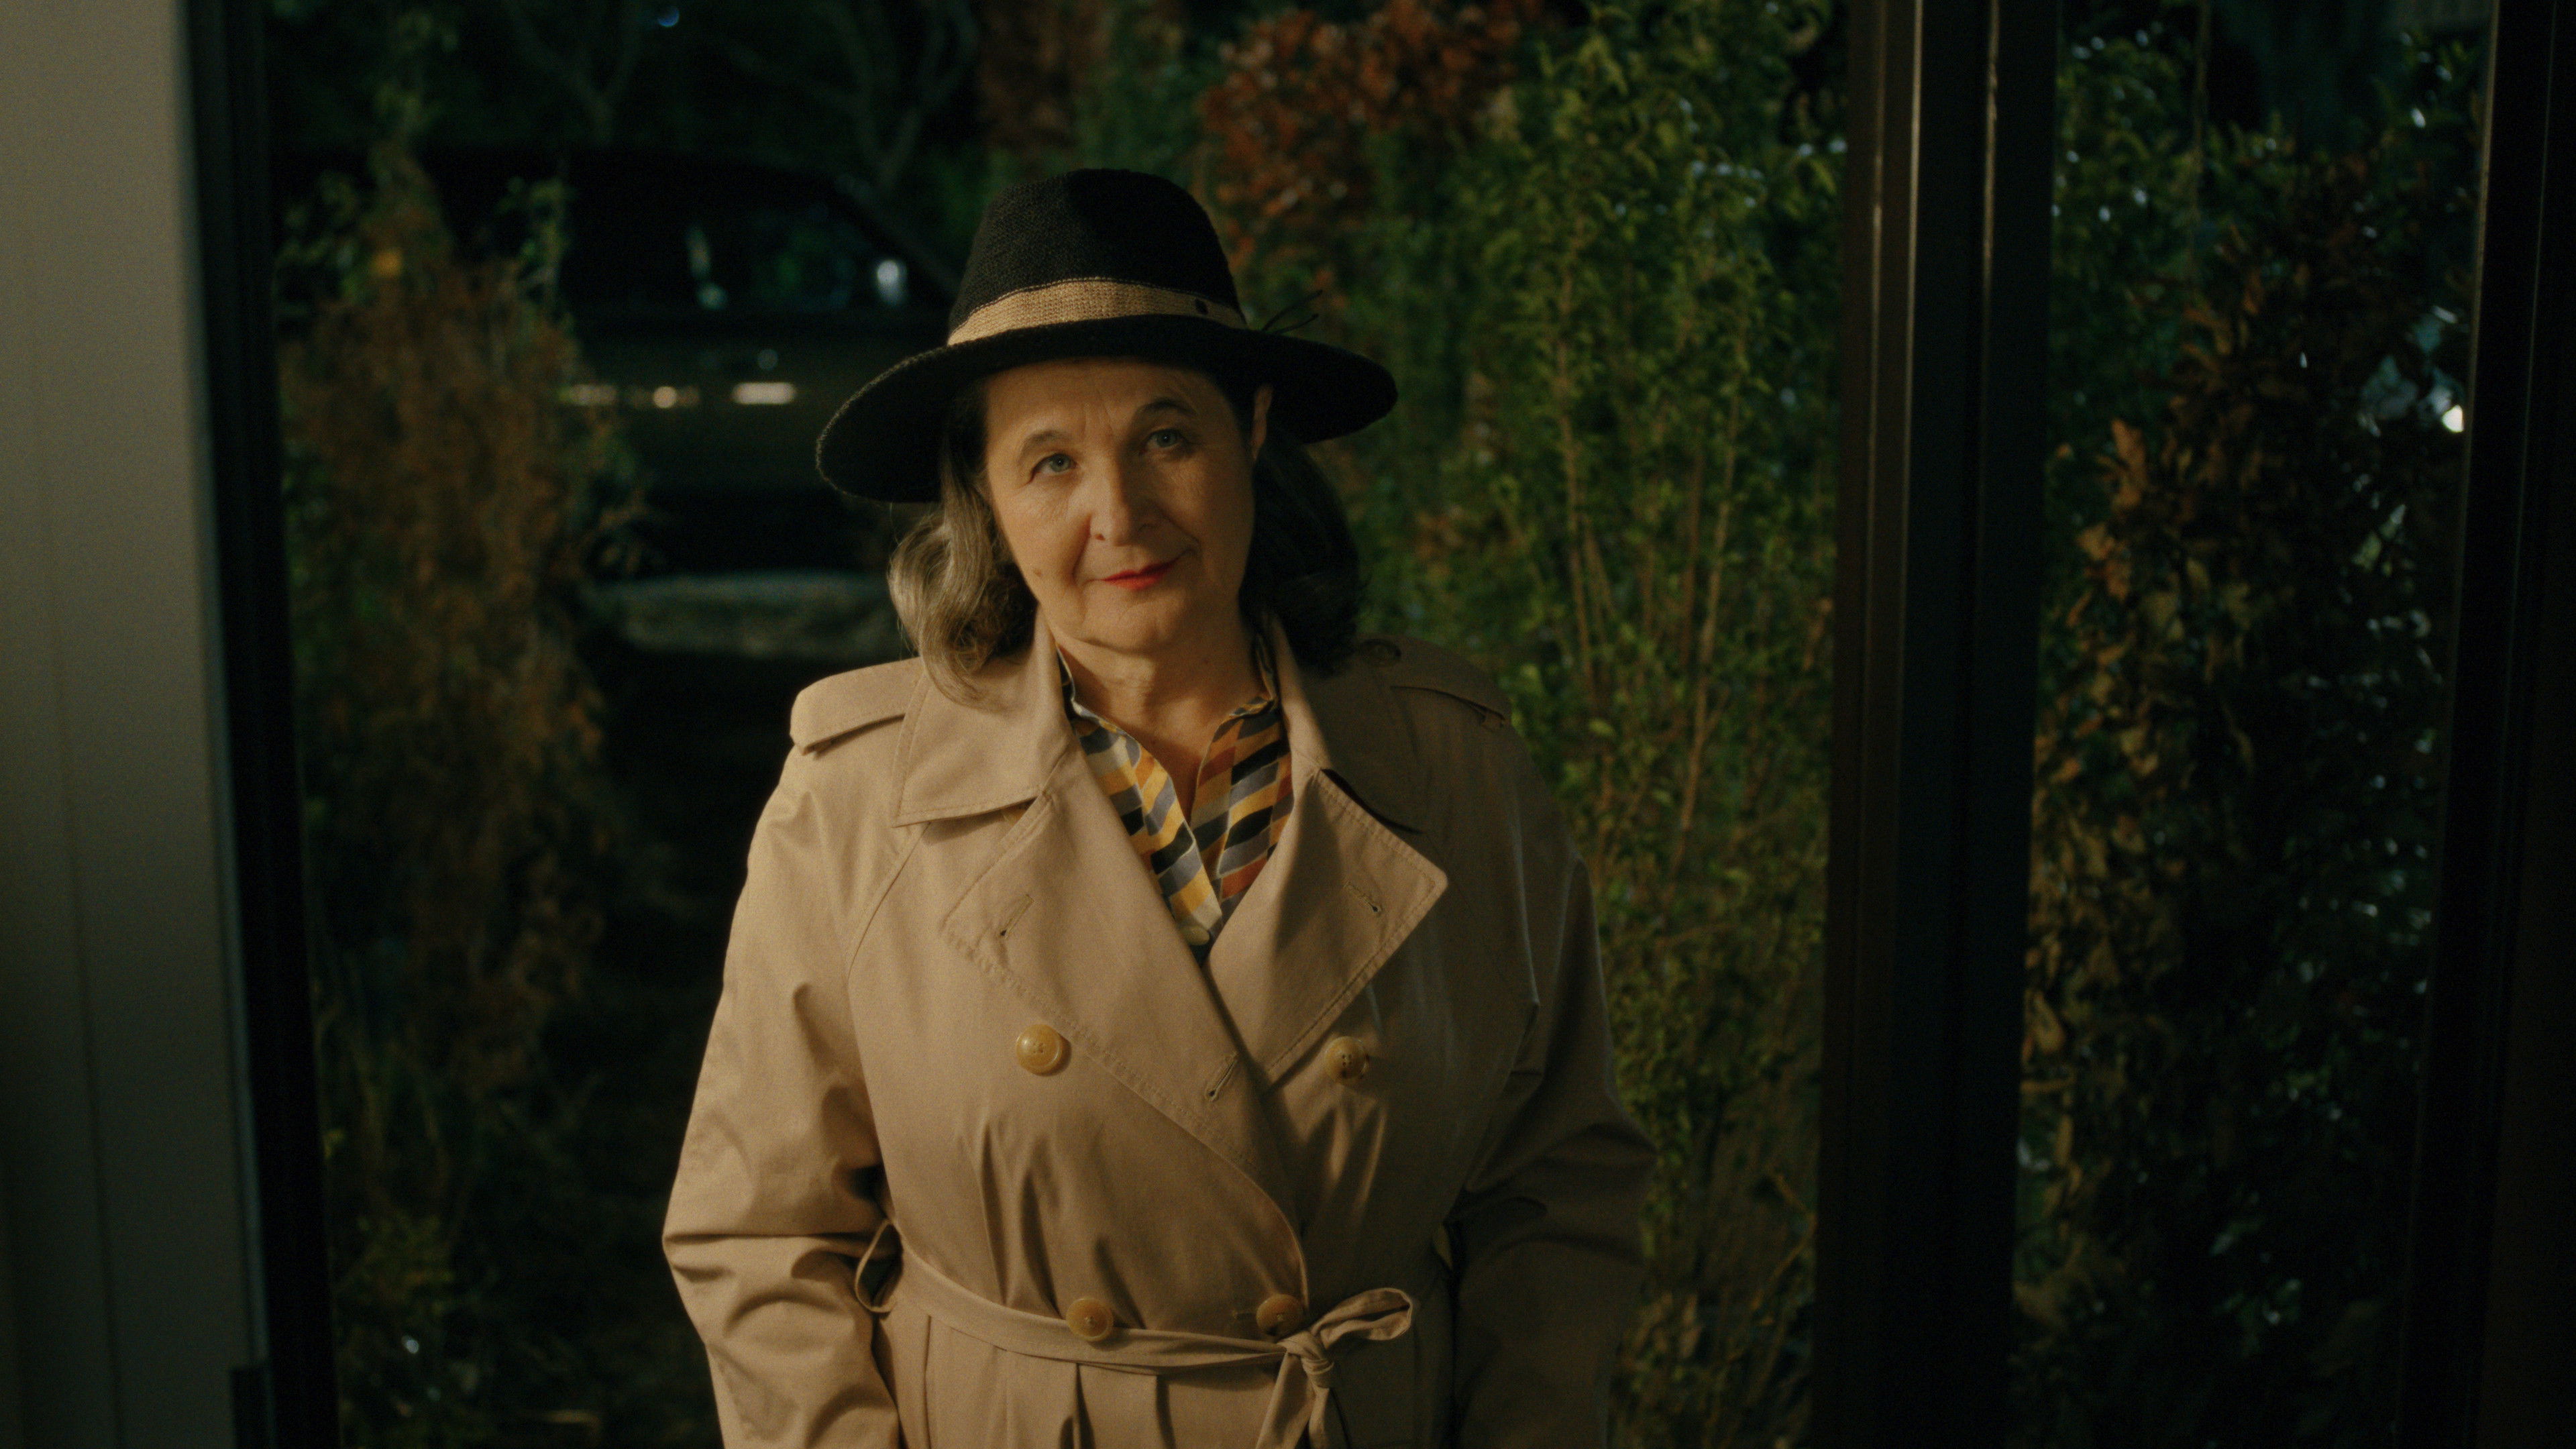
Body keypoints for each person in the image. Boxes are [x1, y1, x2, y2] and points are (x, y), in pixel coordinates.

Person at [663, 168, 1653, 1449]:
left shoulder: (1454, 772)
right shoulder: (855, 800)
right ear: (984, 494)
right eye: (1050, 462)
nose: (1118, 514)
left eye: (1167, 438)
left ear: (1253, 429)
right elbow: (758, 1232)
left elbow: (1560, 1188)